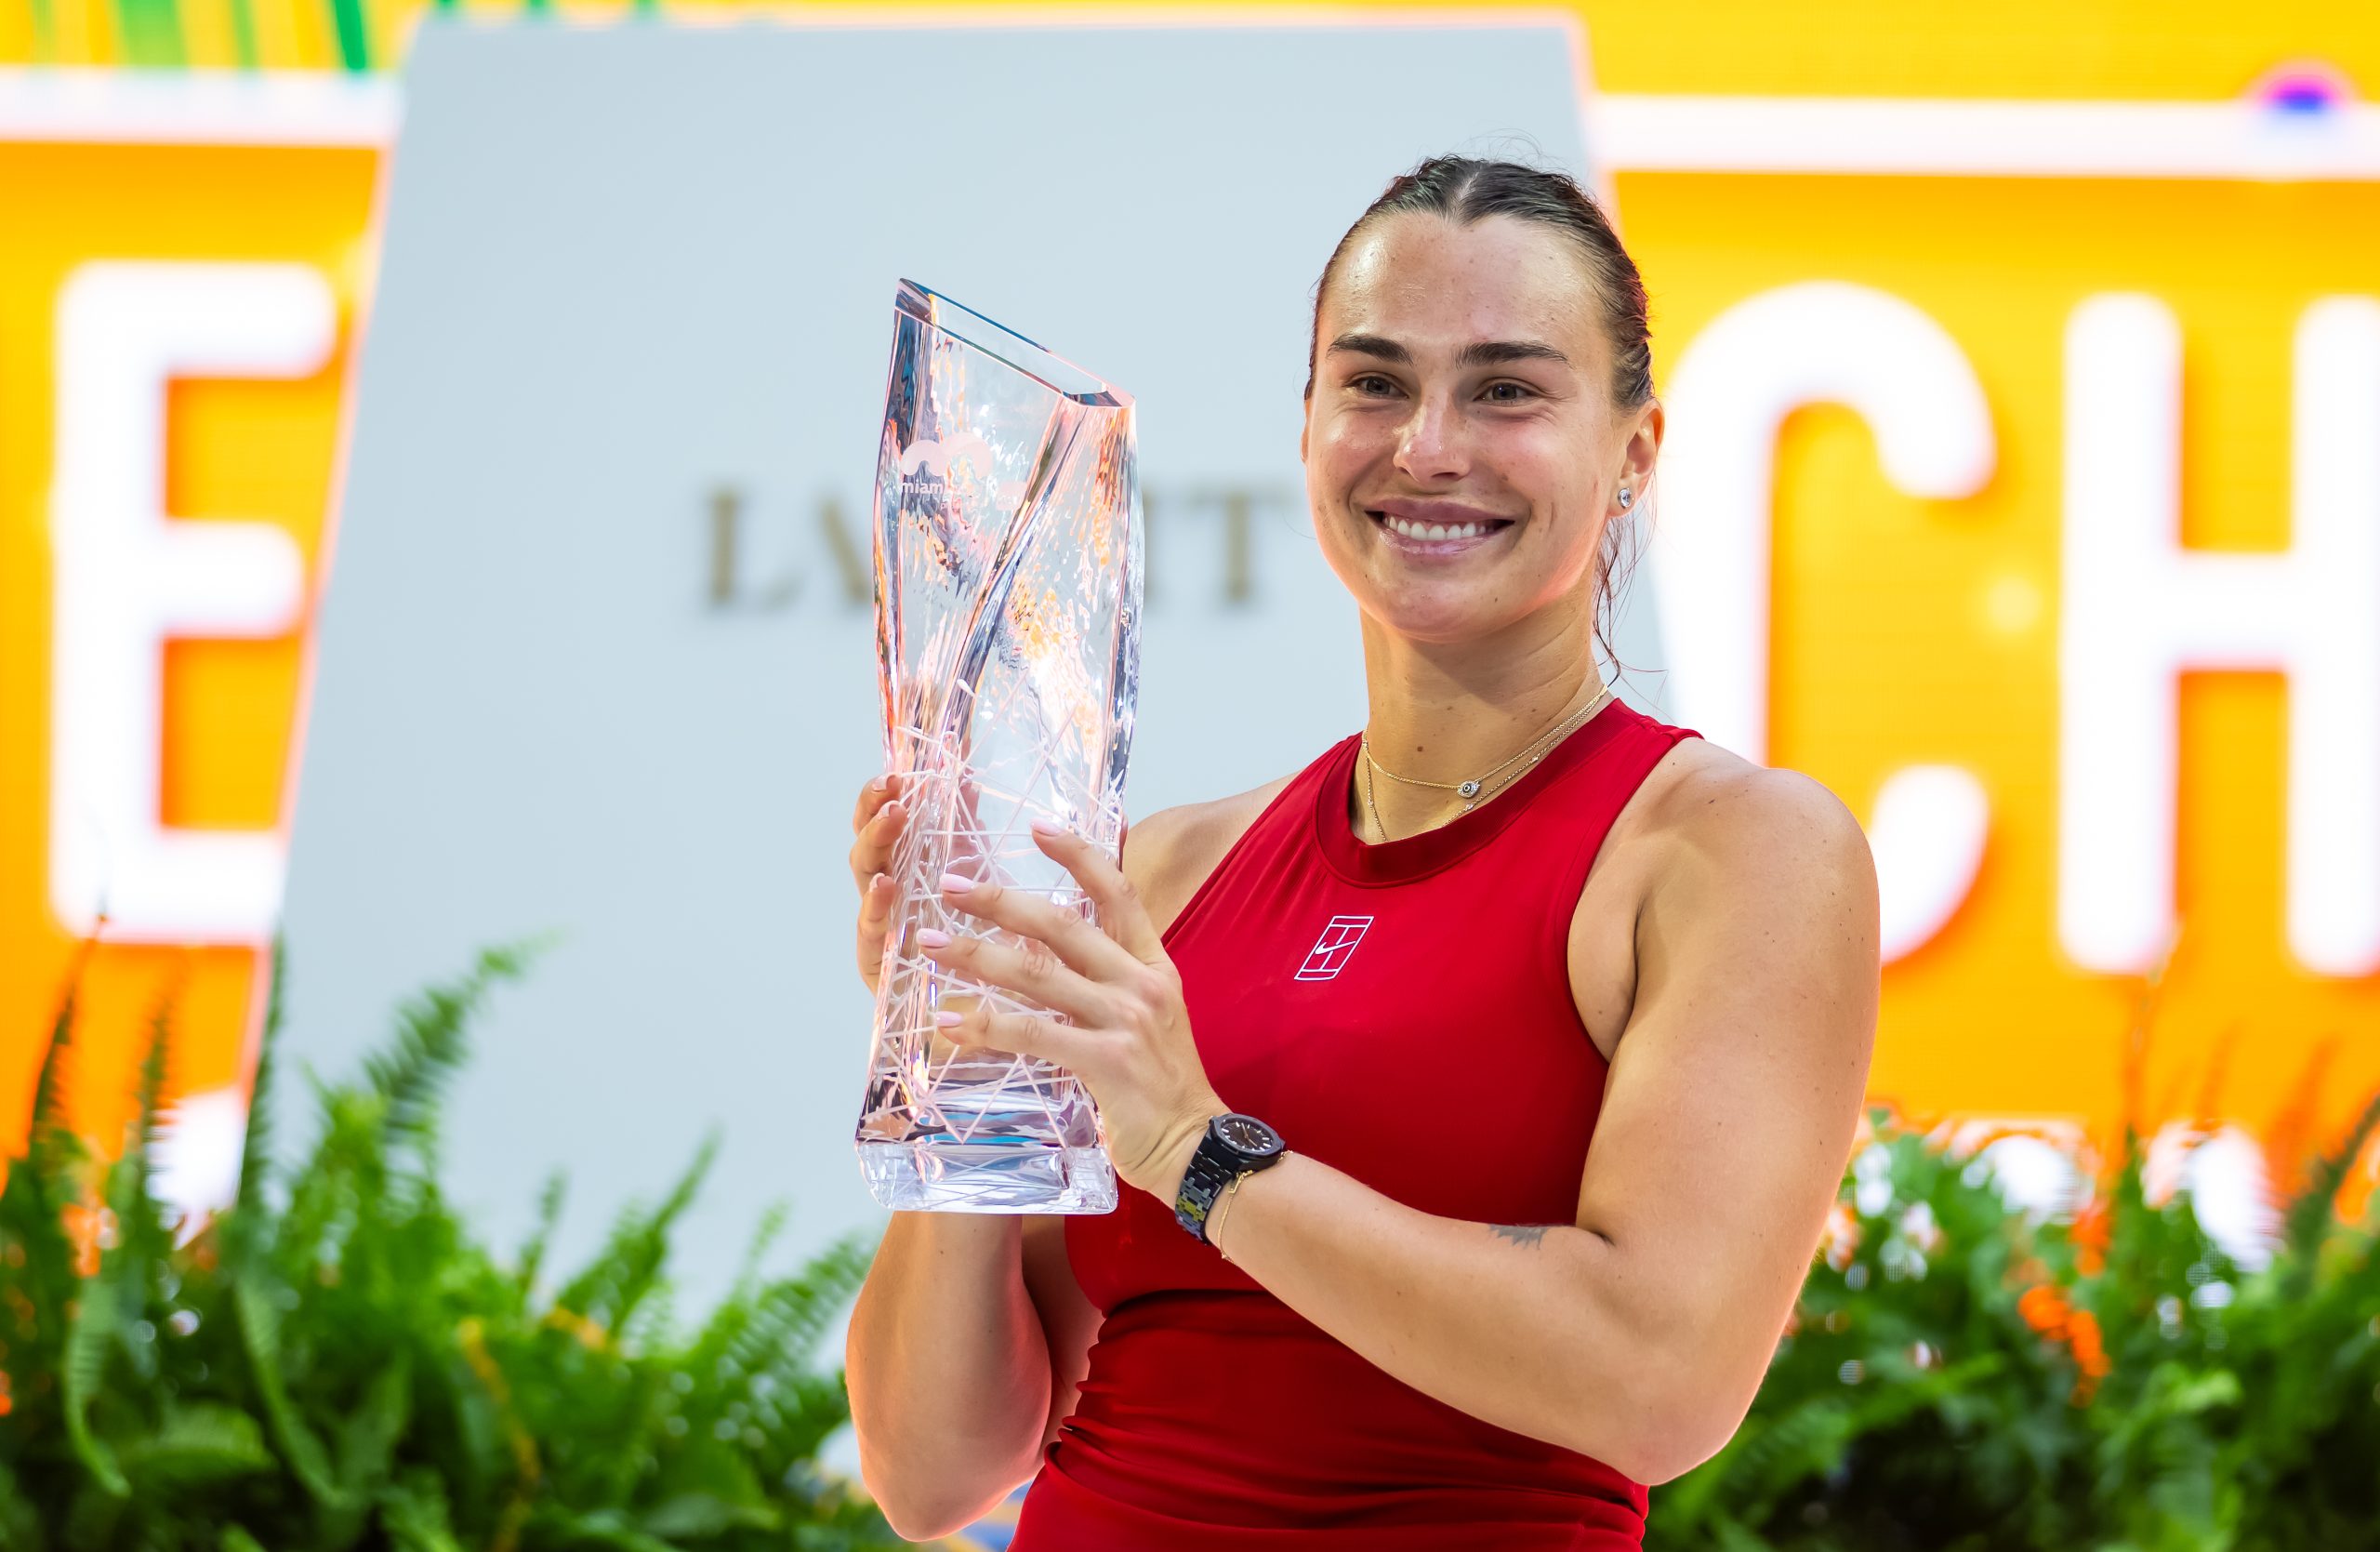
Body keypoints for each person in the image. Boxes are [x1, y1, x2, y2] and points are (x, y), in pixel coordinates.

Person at [841, 156, 1879, 1549]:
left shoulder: (1730, 853)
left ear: (1635, 451)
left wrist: (1195, 1150)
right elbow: (932, 1473)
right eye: (1376, 383)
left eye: (1506, 390)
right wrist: (960, 1060)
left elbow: (1656, 1378)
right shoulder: (1165, 872)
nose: (1428, 446)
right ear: (1310, 425)